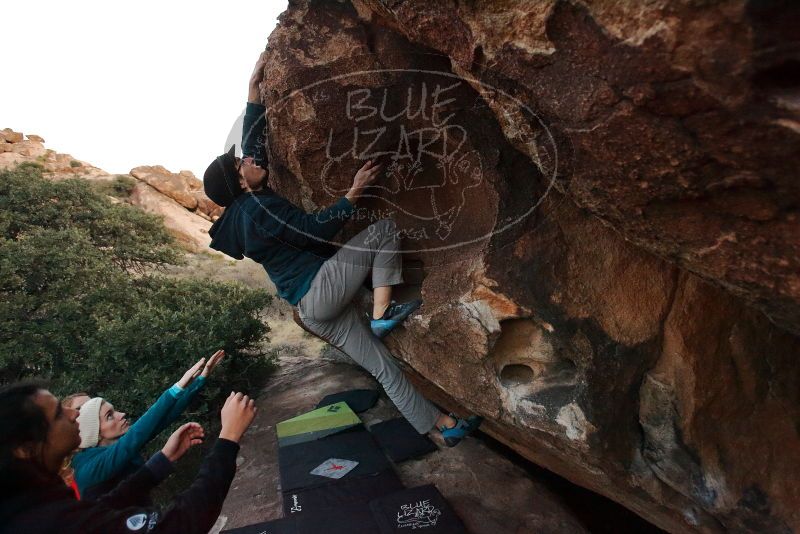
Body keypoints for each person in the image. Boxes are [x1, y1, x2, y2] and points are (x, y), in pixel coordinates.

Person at [203, 51, 480, 446]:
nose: (248, 157)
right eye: (241, 163)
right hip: (322, 289)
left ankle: (443, 427)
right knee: (383, 231)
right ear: (240, 182)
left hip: (313, 311)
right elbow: (311, 231)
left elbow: (254, 143)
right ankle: (383, 313)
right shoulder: (259, 209)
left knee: (384, 368)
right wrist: (352, 194)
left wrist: (252, 92)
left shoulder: (247, 202)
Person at [0, 381, 256, 533]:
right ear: (26, 448)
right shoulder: (51, 522)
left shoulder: (37, 504)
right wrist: (228, 439)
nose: (73, 414)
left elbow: (108, 504)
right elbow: (179, 524)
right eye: (58, 414)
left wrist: (163, 459)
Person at [71, 349, 225, 501]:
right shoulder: (87, 469)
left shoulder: (115, 443)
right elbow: (137, 435)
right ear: (95, 432)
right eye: (109, 416)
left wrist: (201, 378)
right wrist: (176, 388)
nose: (121, 414)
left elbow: (161, 419)